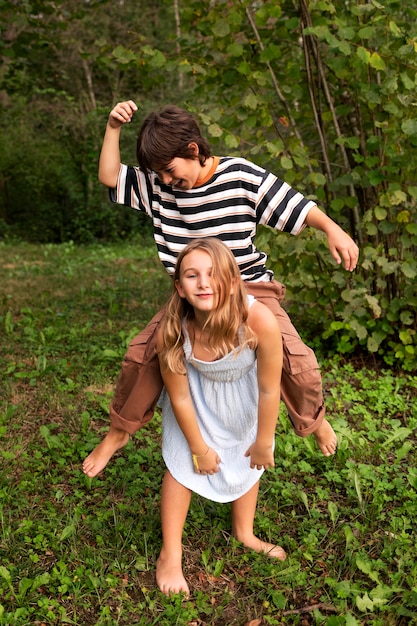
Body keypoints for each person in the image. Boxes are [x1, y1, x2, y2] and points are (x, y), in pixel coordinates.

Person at [82, 100, 359, 479]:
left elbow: (293, 204)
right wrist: (113, 127)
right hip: (192, 295)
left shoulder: (239, 175)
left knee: (298, 361)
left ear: (193, 151)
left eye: (169, 170)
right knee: (141, 355)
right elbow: (110, 177)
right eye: (158, 174)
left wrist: (333, 229)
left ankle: (311, 420)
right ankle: (119, 432)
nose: (165, 180)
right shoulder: (159, 187)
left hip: (247, 288)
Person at [156, 237, 285, 596]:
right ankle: (171, 552)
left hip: (244, 397)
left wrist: (263, 441)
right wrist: (198, 446)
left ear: (231, 281)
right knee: (182, 466)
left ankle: (245, 532)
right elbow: (179, 397)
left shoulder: (258, 319)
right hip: (194, 401)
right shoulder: (173, 329)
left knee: (247, 460)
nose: (203, 283)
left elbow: (269, 389)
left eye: (213, 274)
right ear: (180, 288)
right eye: (192, 276)